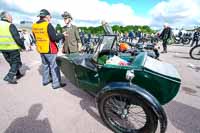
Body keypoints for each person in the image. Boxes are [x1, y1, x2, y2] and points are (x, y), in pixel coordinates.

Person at [32, 9, 66, 89]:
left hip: (41, 49)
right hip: (50, 49)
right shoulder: (48, 25)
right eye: (50, 16)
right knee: (54, 66)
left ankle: (45, 80)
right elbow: (54, 38)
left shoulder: (34, 26)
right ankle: (56, 83)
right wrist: (62, 35)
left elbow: (35, 37)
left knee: (45, 65)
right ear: (47, 16)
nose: (50, 18)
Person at [0, 11, 25, 84]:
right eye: (10, 17)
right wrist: (22, 46)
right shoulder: (10, 25)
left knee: (11, 62)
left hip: (2, 48)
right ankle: (9, 77)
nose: (12, 18)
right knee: (16, 62)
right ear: (6, 17)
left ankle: (18, 74)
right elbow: (17, 38)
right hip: (12, 48)